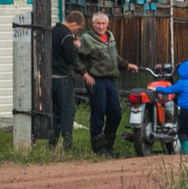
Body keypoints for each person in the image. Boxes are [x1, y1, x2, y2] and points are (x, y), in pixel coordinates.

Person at [77, 11, 138, 157]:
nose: (100, 26)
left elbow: (114, 57)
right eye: (98, 23)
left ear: (107, 24)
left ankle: (108, 145)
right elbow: (76, 58)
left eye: (103, 23)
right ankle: (99, 148)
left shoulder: (109, 37)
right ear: (92, 24)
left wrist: (127, 65)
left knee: (115, 113)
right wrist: (85, 74)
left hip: (110, 80)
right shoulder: (87, 39)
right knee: (98, 112)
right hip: (96, 80)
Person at [50, 10, 86, 151]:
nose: (77, 31)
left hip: (51, 78)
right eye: (77, 28)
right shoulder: (66, 36)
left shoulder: (52, 31)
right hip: (63, 79)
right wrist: (76, 47)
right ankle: (67, 145)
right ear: (73, 24)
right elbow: (70, 58)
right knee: (67, 112)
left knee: (54, 113)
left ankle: (52, 144)